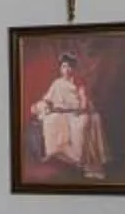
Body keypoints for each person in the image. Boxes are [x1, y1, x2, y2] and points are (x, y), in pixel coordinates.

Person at [30, 51, 108, 179]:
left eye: (69, 66)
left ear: (73, 68)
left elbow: (83, 99)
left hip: (78, 112)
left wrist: (81, 109)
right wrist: (39, 106)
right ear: (60, 68)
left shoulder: (78, 81)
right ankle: (59, 151)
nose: (66, 70)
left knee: (82, 124)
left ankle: (82, 160)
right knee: (52, 120)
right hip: (63, 113)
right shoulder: (57, 83)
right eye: (64, 66)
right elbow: (47, 98)